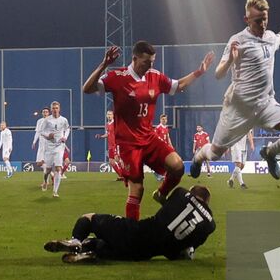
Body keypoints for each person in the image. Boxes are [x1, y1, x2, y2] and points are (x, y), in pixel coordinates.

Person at [82, 41, 213, 219]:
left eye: (152, 61)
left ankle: (161, 194)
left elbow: (178, 85)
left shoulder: (155, 76)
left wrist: (200, 72)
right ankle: (131, 233)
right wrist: (104, 65)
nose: (150, 66)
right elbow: (87, 89)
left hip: (149, 138)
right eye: (146, 62)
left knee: (178, 166)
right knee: (137, 188)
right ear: (135, 59)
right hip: (128, 144)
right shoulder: (117, 76)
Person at [190, 0, 280, 181]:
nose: (263, 24)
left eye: (265, 19)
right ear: (247, 20)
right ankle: (198, 158)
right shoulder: (237, 40)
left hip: (265, 104)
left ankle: (269, 153)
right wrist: (230, 60)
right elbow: (218, 74)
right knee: (214, 154)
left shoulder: (269, 37)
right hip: (239, 108)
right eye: (258, 20)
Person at [43, 185, 216, 264]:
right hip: (144, 255)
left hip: (136, 232)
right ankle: (88, 252)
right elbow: (178, 254)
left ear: (193, 192)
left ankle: (75, 242)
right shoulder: (209, 225)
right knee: (103, 245)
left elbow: (166, 204)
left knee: (89, 218)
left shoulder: (181, 193)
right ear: (207, 201)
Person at [36, 102, 70, 197]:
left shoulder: (64, 120)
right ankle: (45, 181)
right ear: (51, 109)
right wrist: (48, 136)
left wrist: (65, 137)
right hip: (49, 146)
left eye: (56, 108)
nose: (55, 110)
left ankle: (55, 192)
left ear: (59, 109)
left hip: (59, 146)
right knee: (48, 170)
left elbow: (68, 129)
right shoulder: (47, 120)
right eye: (53, 108)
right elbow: (41, 131)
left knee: (58, 168)